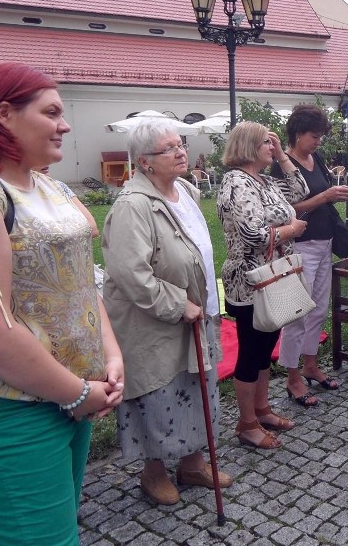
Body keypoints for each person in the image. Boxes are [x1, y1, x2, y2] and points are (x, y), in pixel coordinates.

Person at [0, 63, 123, 546]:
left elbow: (80, 281)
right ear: (4, 114)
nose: (65, 124)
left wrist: (111, 354)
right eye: (52, 112)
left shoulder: (51, 186)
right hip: (13, 407)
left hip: (70, 397)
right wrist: (77, 393)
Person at [103, 118, 229, 506]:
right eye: (169, 148)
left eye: (181, 144)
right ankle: (152, 472)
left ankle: (192, 463)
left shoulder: (185, 191)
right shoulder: (132, 207)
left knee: (197, 388)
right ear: (144, 162)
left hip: (199, 312)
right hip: (154, 321)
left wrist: (202, 307)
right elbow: (130, 274)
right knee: (158, 394)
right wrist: (178, 305)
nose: (181, 152)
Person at [216, 121, 309, 444]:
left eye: (273, 143)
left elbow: (300, 191)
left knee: (267, 346)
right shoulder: (236, 183)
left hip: (273, 275)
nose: (272, 146)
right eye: (267, 143)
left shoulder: (264, 180)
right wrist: (290, 230)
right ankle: (246, 423)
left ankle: (262, 409)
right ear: (248, 147)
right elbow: (252, 234)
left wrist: (283, 156)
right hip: (250, 280)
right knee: (252, 352)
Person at [270, 104, 348, 404]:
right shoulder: (281, 165)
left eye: (320, 136)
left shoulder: (315, 158)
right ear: (297, 133)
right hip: (299, 245)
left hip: (324, 241)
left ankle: (311, 365)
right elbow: (285, 210)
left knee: (318, 309)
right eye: (313, 136)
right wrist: (325, 197)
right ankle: (292, 378)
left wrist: (333, 195)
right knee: (297, 313)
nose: (318, 141)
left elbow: (321, 194)